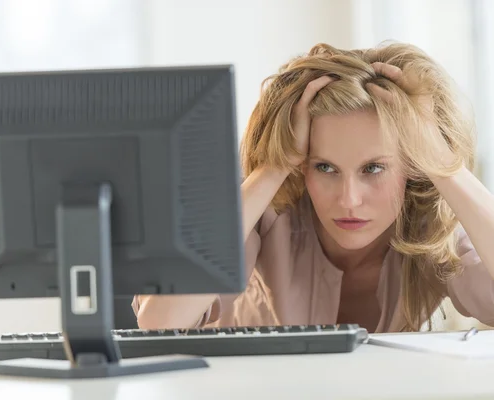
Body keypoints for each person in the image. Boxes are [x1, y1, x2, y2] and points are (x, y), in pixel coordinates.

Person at [133, 42, 494, 333]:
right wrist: (272, 169)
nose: (349, 199)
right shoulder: (266, 211)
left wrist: (445, 168)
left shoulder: (432, 227)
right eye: (325, 167)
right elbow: (159, 322)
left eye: (373, 168)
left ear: (412, 167)